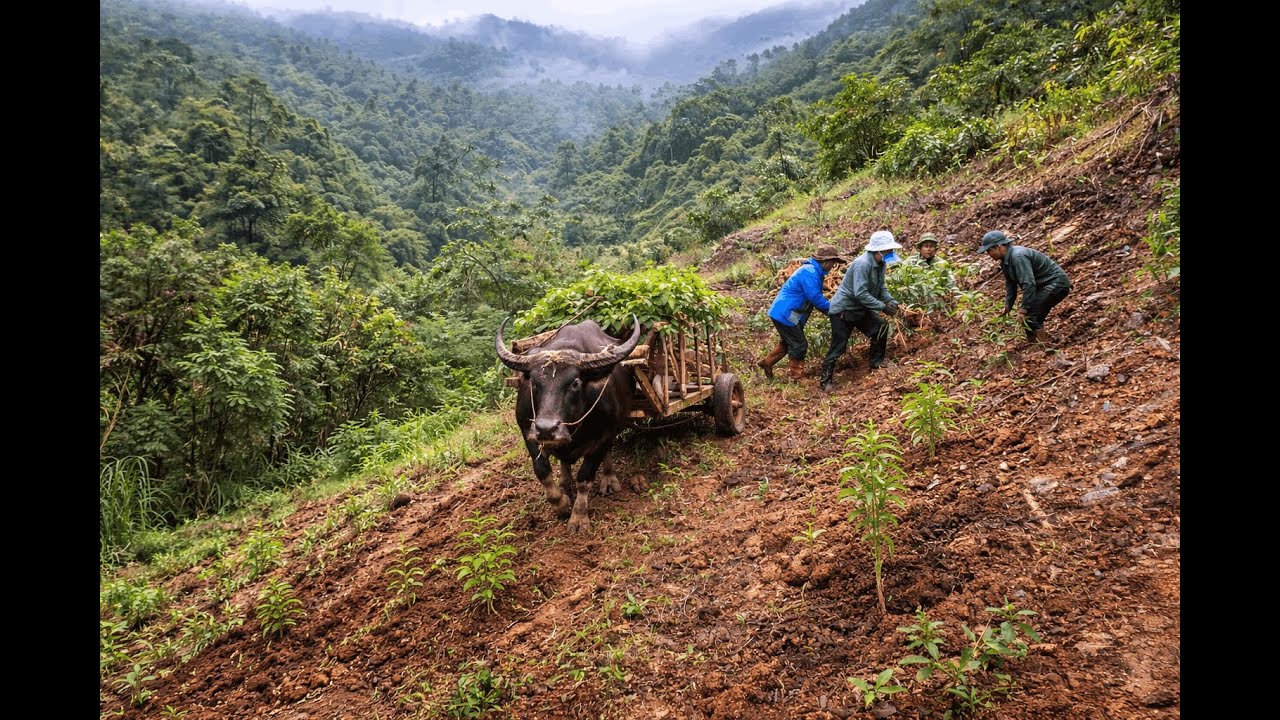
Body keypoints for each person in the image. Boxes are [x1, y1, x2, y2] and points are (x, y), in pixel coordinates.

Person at [819, 231, 903, 392]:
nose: (890, 254)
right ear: (879, 250)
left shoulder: (880, 264)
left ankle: (876, 363)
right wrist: (882, 307)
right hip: (843, 310)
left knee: (880, 327)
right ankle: (825, 380)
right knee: (839, 346)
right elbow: (861, 293)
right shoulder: (862, 264)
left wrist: (890, 301)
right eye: (888, 251)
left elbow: (881, 287)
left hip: (860, 308)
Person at [758, 245, 845, 380]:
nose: (833, 266)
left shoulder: (814, 271)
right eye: (833, 263)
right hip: (785, 313)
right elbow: (815, 298)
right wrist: (834, 311)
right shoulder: (810, 272)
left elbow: (814, 300)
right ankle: (797, 377)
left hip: (787, 312)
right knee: (799, 344)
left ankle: (767, 362)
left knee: (788, 342)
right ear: (826, 261)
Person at [978, 230, 1071, 344]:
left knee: (1031, 315)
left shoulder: (1018, 257)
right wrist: (1008, 306)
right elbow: (1010, 285)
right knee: (1029, 316)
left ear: (999, 247)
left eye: (989, 250)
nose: (988, 254)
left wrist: (1023, 309)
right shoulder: (1005, 262)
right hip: (1044, 286)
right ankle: (1034, 345)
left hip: (1056, 283)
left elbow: (1029, 284)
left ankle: (1043, 348)